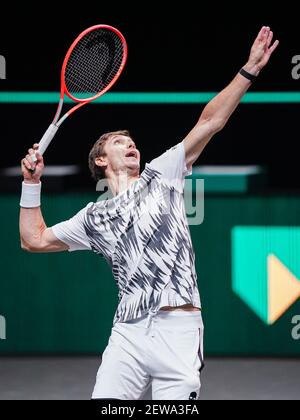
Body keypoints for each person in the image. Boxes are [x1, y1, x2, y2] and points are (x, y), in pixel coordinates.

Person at [19, 26, 279, 400]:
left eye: (132, 141)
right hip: (128, 332)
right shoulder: (93, 218)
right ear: (100, 160)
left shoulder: (162, 175)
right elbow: (33, 240)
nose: (131, 145)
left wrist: (249, 70)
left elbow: (210, 121)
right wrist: (31, 182)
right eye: (119, 142)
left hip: (179, 327)